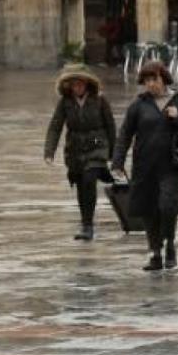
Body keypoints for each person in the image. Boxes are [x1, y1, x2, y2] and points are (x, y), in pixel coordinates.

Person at [111, 61, 178, 271]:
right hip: (144, 166)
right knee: (148, 209)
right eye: (147, 81)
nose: (151, 84)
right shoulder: (139, 104)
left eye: (154, 79)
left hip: (172, 165)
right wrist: (117, 161)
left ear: (164, 79)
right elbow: (125, 134)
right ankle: (155, 252)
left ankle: (170, 244)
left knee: (167, 206)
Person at [44, 64, 117, 241]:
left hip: (96, 146)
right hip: (75, 149)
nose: (77, 87)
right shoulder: (65, 103)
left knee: (89, 178)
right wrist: (49, 151)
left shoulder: (100, 100)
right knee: (80, 182)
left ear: (87, 83)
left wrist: (114, 155)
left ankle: (88, 225)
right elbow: (55, 126)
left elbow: (111, 126)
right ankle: (85, 221)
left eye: (80, 84)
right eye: (73, 84)